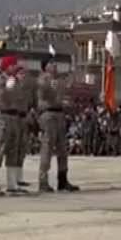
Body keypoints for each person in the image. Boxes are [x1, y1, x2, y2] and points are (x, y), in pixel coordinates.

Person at [36, 55, 79, 192]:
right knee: (47, 149)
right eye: (51, 63)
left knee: (62, 149)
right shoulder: (43, 80)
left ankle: (62, 179)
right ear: (45, 66)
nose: (55, 65)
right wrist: (58, 102)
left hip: (60, 115)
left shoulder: (59, 81)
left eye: (55, 63)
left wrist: (65, 104)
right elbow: (40, 101)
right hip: (48, 115)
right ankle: (43, 181)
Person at [0, 55, 22, 195]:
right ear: (7, 66)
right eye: (14, 65)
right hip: (2, 115)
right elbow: (3, 95)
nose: (16, 67)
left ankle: (12, 183)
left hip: (15, 116)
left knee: (13, 149)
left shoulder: (16, 81)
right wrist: (9, 84)